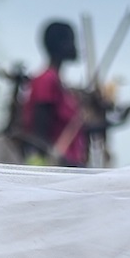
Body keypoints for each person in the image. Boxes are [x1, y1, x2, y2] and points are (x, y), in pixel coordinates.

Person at [20, 20, 88, 167]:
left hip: (64, 170)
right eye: (72, 41)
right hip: (51, 170)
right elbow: (38, 136)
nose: (76, 46)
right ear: (61, 44)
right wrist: (69, 165)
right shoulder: (46, 81)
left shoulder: (59, 84)